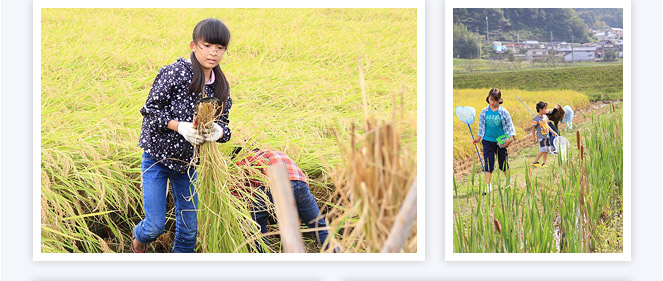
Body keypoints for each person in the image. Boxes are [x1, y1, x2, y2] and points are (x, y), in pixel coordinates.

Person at [132, 18, 233, 253]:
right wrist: (180, 127)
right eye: (207, 46)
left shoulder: (220, 86)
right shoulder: (174, 73)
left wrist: (218, 132)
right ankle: (138, 240)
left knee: (189, 231)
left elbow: (225, 125)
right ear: (193, 45)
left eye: (219, 48)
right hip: (157, 159)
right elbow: (150, 111)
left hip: (189, 165)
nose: (213, 53)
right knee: (154, 226)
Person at [232, 147, 333, 252]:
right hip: (299, 183)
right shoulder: (272, 151)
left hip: (273, 182)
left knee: (257, 224)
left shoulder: (244, 159)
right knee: (318, 225)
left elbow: (238, 192)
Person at [473, 88, 516, 194]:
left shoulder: (503, 112)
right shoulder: (484, 111)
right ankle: (488, 186)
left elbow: (509, 125)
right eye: (490, 99)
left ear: (499, 100)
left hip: (501, 141)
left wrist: (511, 138)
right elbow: (481, 126)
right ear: (488, 99)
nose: (492, 102)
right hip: (487, 140)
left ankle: (508, 181)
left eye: (495, 100)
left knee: (503, 162)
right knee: (488, 163)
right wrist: (478, 138)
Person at [531, 101, 557, 167]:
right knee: (543, 149)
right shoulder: (536, 118)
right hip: (541, 137)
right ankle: (535, 162)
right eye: (545, 109)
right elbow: (533, 128)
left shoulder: (545, 117)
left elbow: (547, 126)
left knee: (547, 149)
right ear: (540, 109)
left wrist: (553, 132)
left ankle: (544, 163)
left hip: (547, 136)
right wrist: (533, 137)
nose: (546, 110)